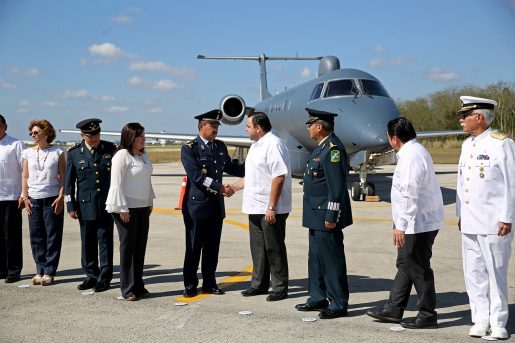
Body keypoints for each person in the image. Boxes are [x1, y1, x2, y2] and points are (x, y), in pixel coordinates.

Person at [366, 117, 444, 329]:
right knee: (405, 263)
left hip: (417, 224)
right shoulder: (414, 152)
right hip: (416, 221)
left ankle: (427, 314)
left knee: (417, 266)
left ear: (394, 138)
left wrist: (402, 225)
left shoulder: (410, 157)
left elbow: (410, 193)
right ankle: (394, 308)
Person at [456, 96, 514, 340]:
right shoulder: (467, 145)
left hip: (493, 223)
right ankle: (480, 318)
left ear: (478, 117)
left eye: (464, 115)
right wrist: (460, 213)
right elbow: (461, 183)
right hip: (470, 221)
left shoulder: (502, 144)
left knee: (495, 273)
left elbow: (512, 184)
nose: (461, 120)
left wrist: (507, 217)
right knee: (474, 273)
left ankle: (498, 321)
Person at [295, 108, 352, 319]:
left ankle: (338, 303)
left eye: (310, 124)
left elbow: (336, 188)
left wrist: (331, 216)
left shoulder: (333, 149)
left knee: (331, 260)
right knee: (316, 259)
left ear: (319, 126)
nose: (308, 128)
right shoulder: (321, 148)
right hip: (315, 215)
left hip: (325, 216)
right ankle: (317, 297)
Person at [180, 109, 244, 297]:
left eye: (217, 126)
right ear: (201, 126)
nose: (215, 129)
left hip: (215, 207)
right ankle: (190, 285)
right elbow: (197, 177)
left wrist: (256, 167)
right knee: (193, 248)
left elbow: (232, 167)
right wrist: (220, 188)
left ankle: (209, 282)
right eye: (212, 125)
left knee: (212, 248)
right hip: (197, 207)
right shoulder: (189, 148)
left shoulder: (219, 147)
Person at [232, 112, 291, 301]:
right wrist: (233, 188)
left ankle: (280, 287)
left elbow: (279, 176)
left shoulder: (274, 144)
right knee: (258, 248)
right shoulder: (255, 146)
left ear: (258, 127)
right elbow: (252, 176)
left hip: (270, 208)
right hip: (254, 206)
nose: (246, 129)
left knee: (274, 248)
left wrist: (271, 207)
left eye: (248, 126)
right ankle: (259, 284)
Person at [65, 118, 116, 292]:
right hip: (85, 206)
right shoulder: (74, 153)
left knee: (105, 242)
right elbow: (69, 184)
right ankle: (91, 275)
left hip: (106, 204)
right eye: (90, 135)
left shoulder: (110, 149)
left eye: (97, 134)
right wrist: (70, 205)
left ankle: (105, 277)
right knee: (87, 243)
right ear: (82, 135)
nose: (95, 138)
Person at [105, 123, 155, 301]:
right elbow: (116, 183)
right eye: (140, 136)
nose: (143, 139)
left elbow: (146, 180)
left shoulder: (143, 155)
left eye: (143, 135)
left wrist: (149, 201)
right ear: (130, 138)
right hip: (125, 208)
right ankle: (127, 288)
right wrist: (122, 208)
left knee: (140, 248)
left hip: (142, 208)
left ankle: (139, 285)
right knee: (128, 248)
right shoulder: (122, 155)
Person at [21, 120, 65, 286]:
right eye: (31, 133)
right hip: (33, 198)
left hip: (52, 197)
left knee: (52, 235)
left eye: (36, 132)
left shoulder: (58, 152)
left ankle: (49, 271)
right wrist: (25, 197)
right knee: (36, 236)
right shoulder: (27, 153)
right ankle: (39, 269)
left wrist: (61, 196)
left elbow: (63, 176)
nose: (33, 135)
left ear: (46, 133)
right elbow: (25, 177)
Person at [0, 114, 25, 283]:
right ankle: (1, 269)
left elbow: (25, 171)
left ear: (5, 126)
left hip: (12, 196)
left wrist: (24, 194)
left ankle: (14, 270)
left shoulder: (16, 144)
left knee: (12, 235)